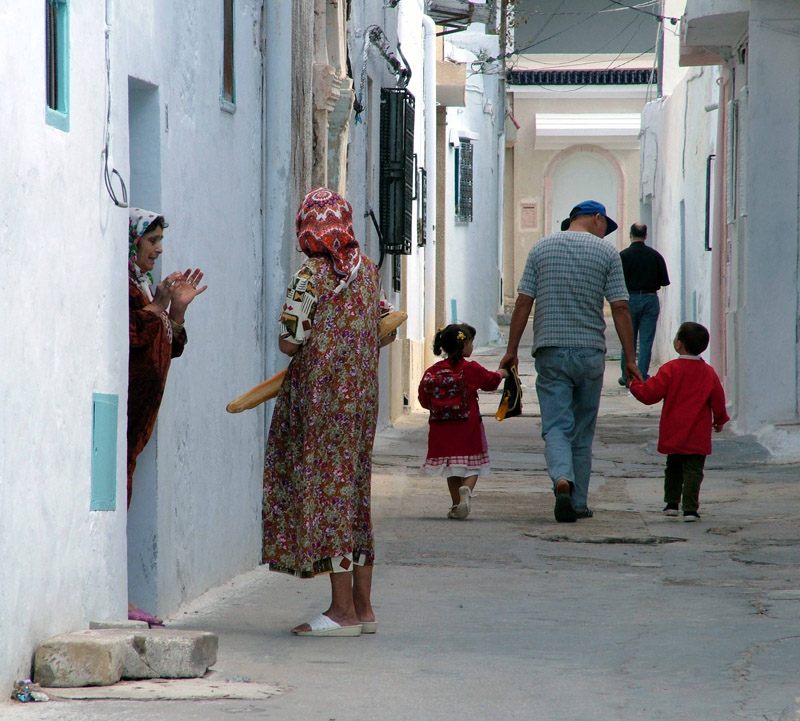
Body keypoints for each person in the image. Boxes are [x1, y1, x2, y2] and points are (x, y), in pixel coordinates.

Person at [262, 188, 396, 637]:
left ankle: (340, 611)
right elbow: (384, 331)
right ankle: (364, 609)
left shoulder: (310, 277)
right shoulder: (368, 272)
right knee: (355, 493)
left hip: (321, 403)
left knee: (330, 495)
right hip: (359, 402)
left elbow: (289, 341)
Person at [501, 200, 642, 523]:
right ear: (596, 219)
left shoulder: (540, 249)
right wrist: (630, 358)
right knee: (582, 430)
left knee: (556, 427)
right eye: (605, 225)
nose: (605, 233)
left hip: (550, 350)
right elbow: (620, 307)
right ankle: (578, 502)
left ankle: (562, 478)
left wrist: (511, 349)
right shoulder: (606, 254)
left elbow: (524, 301)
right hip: (589, 352)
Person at [127, 208, 207, 625]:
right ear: (133, 241)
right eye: (151, 241)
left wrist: (176, 312)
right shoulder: (124, 285)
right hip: (126, 413)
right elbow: (131, 334)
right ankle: (116, 596)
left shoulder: (141, 286)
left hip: (142, 414)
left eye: (160, 241)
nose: (158, 249)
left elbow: (169, 344)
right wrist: (158, 305)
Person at [629, 321, 729, 522]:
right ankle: (690, 509)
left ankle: (671, 504)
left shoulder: (670, 370)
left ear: (679, 344)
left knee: (673, 466)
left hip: (674, 430)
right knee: (693, 471)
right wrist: (719, 419)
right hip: (697, 433)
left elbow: (650, 394)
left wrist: (635, 384)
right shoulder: (708, 373)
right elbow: (718, 399)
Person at [418, 324, 508, 520]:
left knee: (451, 468)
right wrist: (501, 372)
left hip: (441, 431)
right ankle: (466, 489)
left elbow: (423, 400)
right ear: (463, 345)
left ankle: (455, 504)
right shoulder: (471, 369)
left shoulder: (432, 371)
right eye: (470, 342)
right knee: (473, 465)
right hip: (468, 428)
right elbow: (490, 382)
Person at [618, 222, 670, 385]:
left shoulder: (623, 256)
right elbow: (664, 281)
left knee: (628, 339)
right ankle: (641, 376)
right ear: (646, 235)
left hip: (629, 299)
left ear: (630, 235)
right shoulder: (655, 256)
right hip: (649, 298)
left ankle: (627, 376)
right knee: (646, 340)